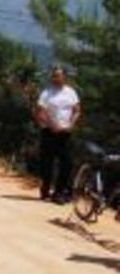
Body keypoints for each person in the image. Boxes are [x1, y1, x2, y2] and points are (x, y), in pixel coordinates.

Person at [34, 66, 81, 204]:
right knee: (47, 163)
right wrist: (51, 125)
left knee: (67, 163)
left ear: (64, 77)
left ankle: (58, 193)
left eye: (58, 75)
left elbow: (77, 110)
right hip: (49, 132)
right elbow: (39, 112)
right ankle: (45, 190)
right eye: (54, 76)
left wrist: (71, 124)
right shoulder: (47, 93)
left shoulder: (71, 92)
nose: (55, 78)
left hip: (65, 133)